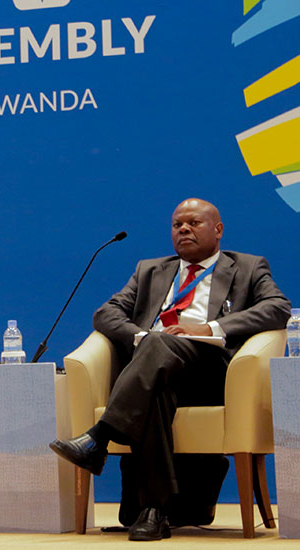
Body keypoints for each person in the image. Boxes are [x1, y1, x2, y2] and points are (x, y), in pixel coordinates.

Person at [49, 198, 291, 541]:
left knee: (157, 357)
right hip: (156, 370)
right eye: (178, 224)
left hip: (211, 371)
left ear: (218, 230)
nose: (184, 229)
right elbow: (106, 314)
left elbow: (278, 307)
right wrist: (142, 338)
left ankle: (99, 436)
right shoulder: (149, 270)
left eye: (194, 223)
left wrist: (208, 329)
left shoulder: (248, 267)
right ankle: (153, 512)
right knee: (156, 389)